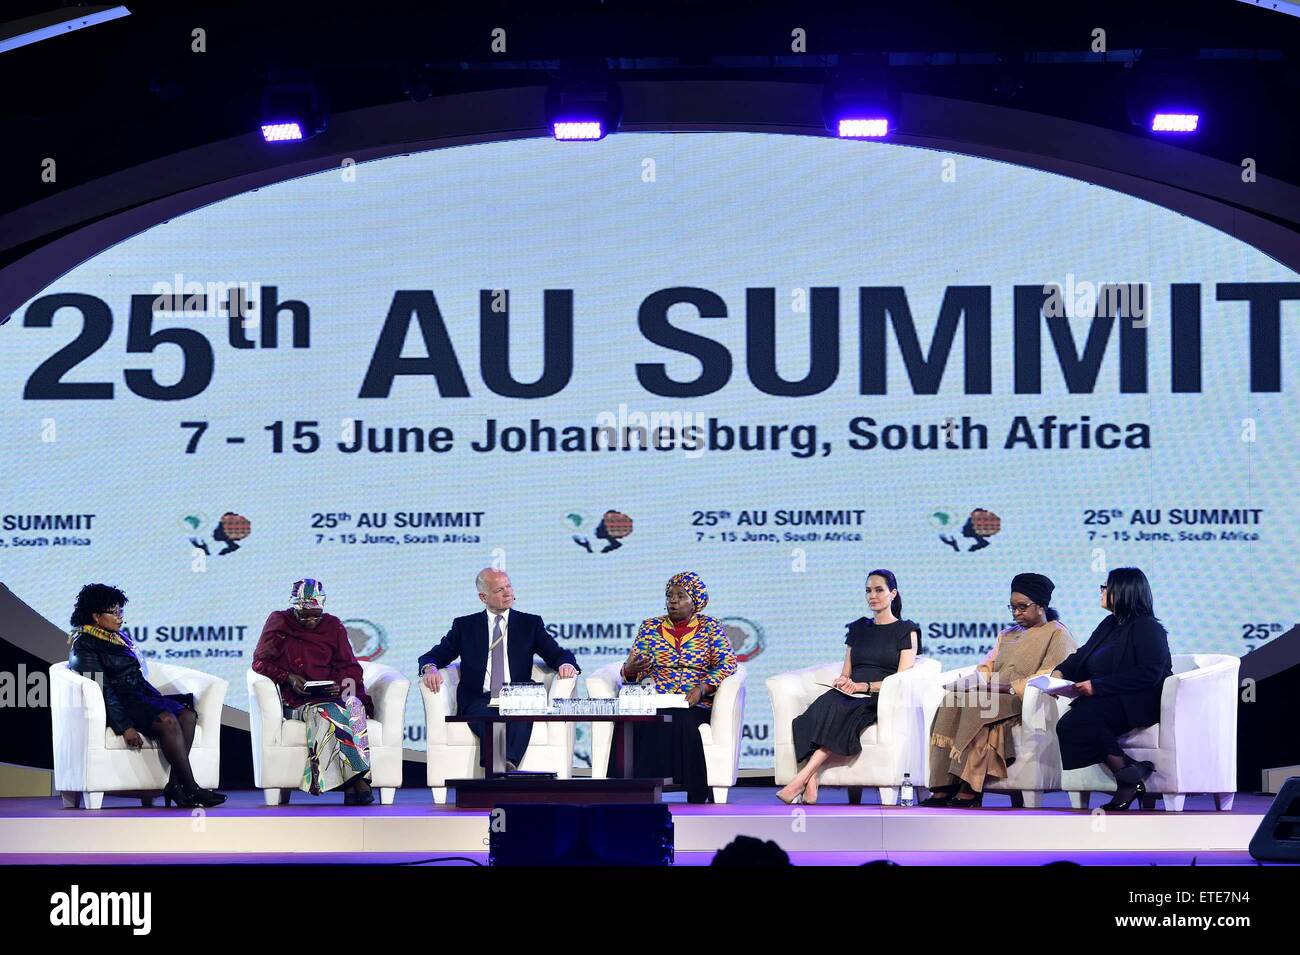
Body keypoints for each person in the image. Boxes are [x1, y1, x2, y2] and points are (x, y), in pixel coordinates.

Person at [66, 583, 226, 809]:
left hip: (141, 694)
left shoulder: (116, 637)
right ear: (95, 615)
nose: (120, 617)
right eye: (114, 612)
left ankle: (175, 786)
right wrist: (125, 727)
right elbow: (102, 689)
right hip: (122, 702)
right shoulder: (84, 644)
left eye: (121, 611)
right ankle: (191, 788)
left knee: (188, 716)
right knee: (168, 721)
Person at [923, 572, 1076, 807]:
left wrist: (1007, 688)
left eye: (1023, 607)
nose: (1017, 613)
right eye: (1012, 607)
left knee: (978, 706)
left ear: (1042, 606)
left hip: (1022, 699)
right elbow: (987, 666)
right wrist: (976, 682)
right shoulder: (1007, 634)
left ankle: (969, 787)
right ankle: (943, 785)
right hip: (993, 693)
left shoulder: (1057, 633)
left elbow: (1051, 673)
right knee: (952, 700)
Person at [779, 569, 920, 805]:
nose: (872, 596)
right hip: (851, 690)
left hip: (878, 695)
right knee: (813, 713)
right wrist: (844, 681)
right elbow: (847, 670)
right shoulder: (858, 628)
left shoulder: (906, 630)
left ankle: (801, 779)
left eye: (878, 590)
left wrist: (864, 686)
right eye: (868, 591)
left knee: (840, 713)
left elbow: (901, 681)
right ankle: (810, 782)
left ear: (893, 594)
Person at [418, 569, 579, 772]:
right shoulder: (465, 626)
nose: (507, 593)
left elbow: (557, 654)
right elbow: (434, 655)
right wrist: (429, 667)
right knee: (487, 717)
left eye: (509, 586)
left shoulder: (530, 624)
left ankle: (501, 767)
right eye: (499, 589)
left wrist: (566, 664)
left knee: (523, 712)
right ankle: (504, 767)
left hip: (519, 695)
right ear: (483, 597)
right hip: (480, 697)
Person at [1051, 567, 1172, 811]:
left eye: (1106, 587)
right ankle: (1131, 772)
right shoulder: (1110, 623)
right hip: (1108, 697)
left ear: (1124, 591)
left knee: (1082, 720)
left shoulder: (1148, 627)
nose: (1102, 591)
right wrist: (1059, 673)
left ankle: (1127, 781)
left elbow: (1150, 673)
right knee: (1068, 725)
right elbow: (1083, 654)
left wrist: (1097, 685)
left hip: (1138, 699)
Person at [251, 578, 376, 805]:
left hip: (330, 693)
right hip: (299, 698)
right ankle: (358, 780)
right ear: (294, 607)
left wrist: (340, 685)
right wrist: (287, 677)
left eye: (316, 615)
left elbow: (348, 666)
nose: (311, 621)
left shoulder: (333, 625)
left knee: (354, 706)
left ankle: (351, 785)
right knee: (329, 712)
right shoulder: (280, 621)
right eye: (305, 615)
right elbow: (259, 663)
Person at [620, 571, 738, 803]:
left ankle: (696, 791)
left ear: (695, 601)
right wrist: (630, 670)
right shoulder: (650, 627)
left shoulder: (709, 627)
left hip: (694, 700)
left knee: (686, 720)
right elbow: (636, 667)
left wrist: (703, 687)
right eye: (669, 596)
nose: (672, 601)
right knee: (645, 722)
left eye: (681, 596)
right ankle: (641, 791)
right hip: (658, 698)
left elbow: (728, 663)